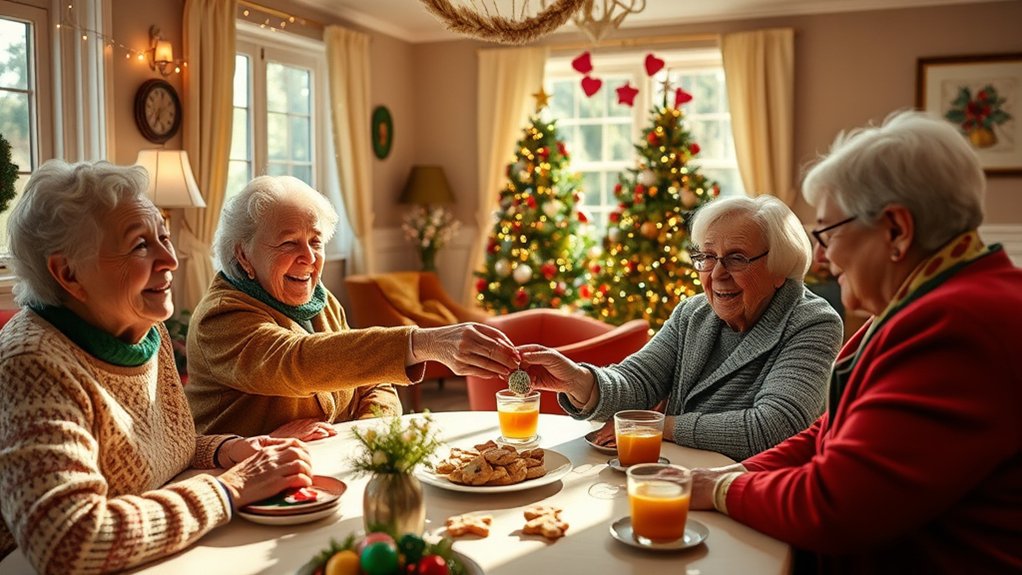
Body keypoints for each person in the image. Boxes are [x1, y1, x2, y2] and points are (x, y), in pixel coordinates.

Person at [690, 111, 1022, 573]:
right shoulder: (919, 302)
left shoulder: (958, 325)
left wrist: (718, 491)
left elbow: (834, 504)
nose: (820, 256)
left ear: (897, 231)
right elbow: (829, 433)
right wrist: (732, 474)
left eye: (828, 231)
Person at [0, 161, 313, 573]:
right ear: (68, 273)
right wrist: (231, 486)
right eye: (140, 246)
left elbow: (163, 452)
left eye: (163, 237)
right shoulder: (32, 364)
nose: (170, 260)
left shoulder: (145, 328)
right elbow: (66, 540)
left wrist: (228, 449)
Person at [186, 175, 519, 437]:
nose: (309, 257)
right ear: (243, 253)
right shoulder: (220, 316)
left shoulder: (321, 302)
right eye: (289, 243)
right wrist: (424, 342)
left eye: (315, 241)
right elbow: (298, 361)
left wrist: (368, 433)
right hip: (241, 489)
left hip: (322, 473)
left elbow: (374, 381)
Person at [521, 195, 843, 461]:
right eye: (706, 256)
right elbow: (639, 380)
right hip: (674, 475)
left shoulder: (812, 322)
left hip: (749, 487)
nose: (716, 273)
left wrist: (662, 426)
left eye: (736, 258)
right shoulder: (693, 312)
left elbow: (772, 428)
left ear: (779, 268)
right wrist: (579, 380)